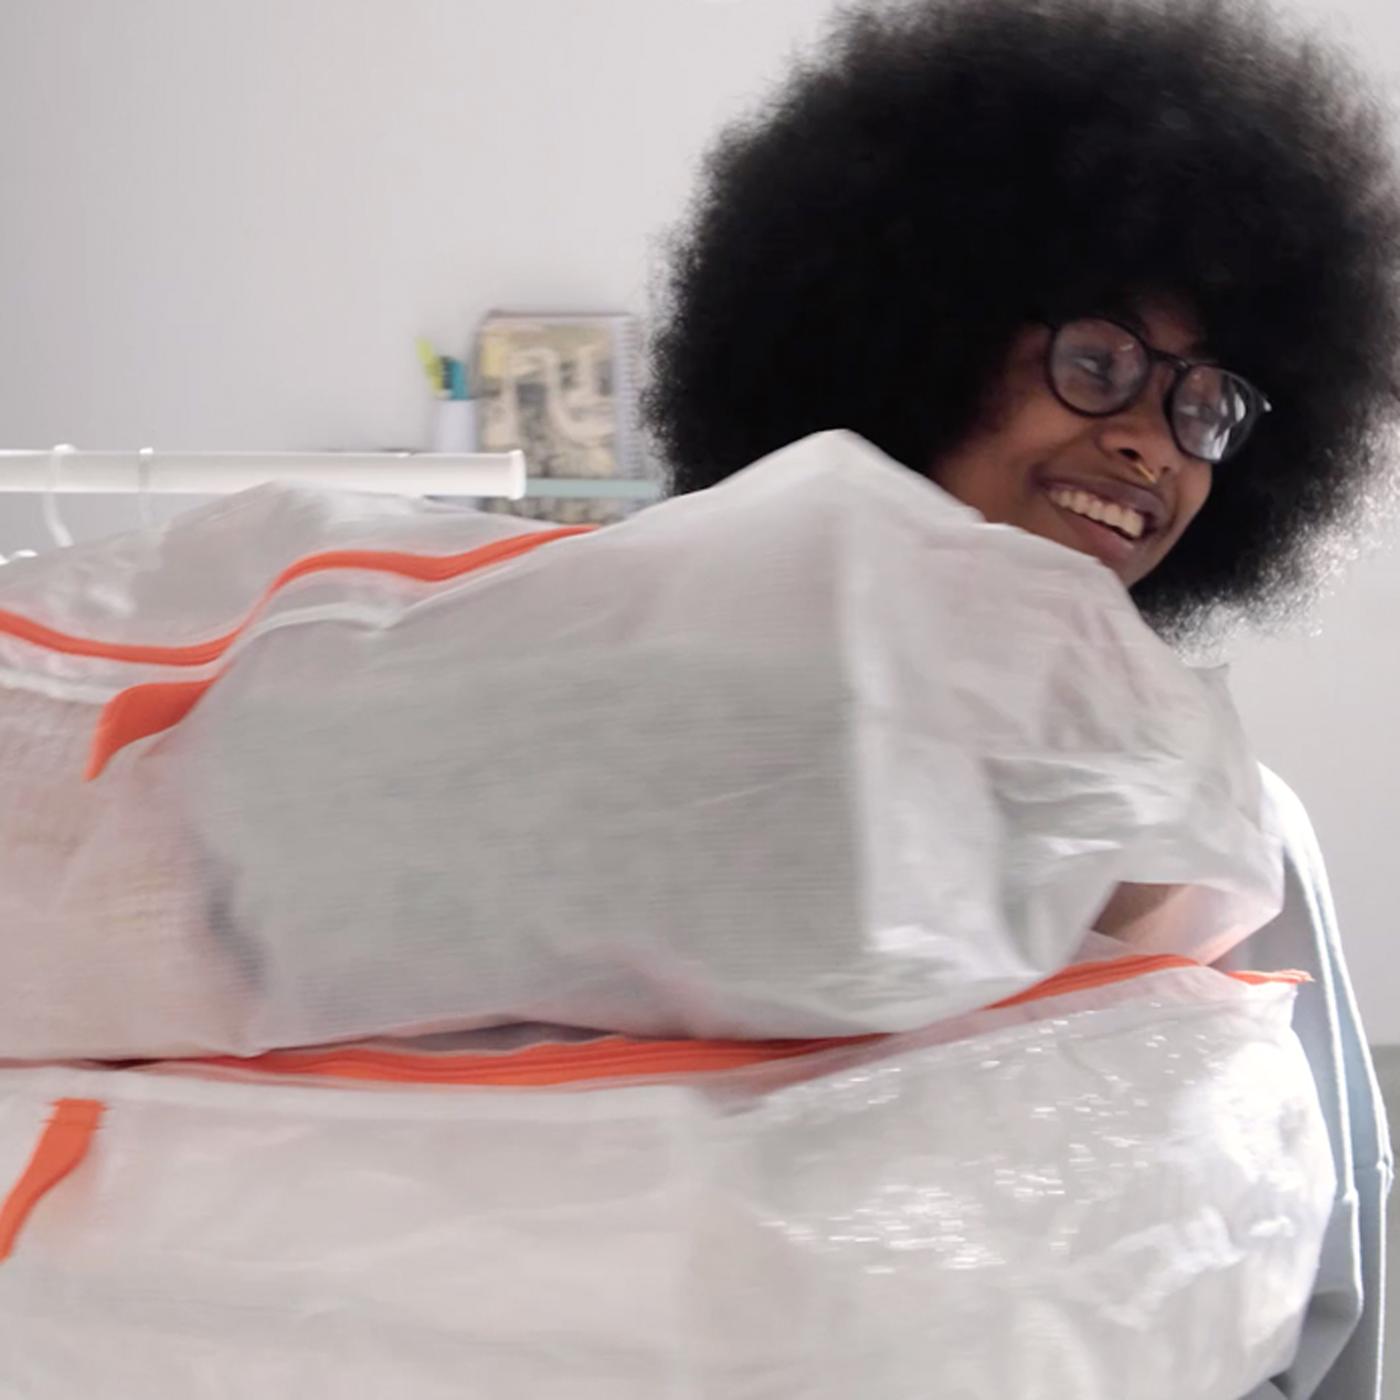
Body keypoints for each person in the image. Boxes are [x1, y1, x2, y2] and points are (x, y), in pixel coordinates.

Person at [645, 1, 1400, 1395]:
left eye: (1204, 405)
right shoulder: (677, 747)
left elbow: (1324, 1302)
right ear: (914, 344)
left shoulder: (1237, 836)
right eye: (1101, 363)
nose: (1147, 442)